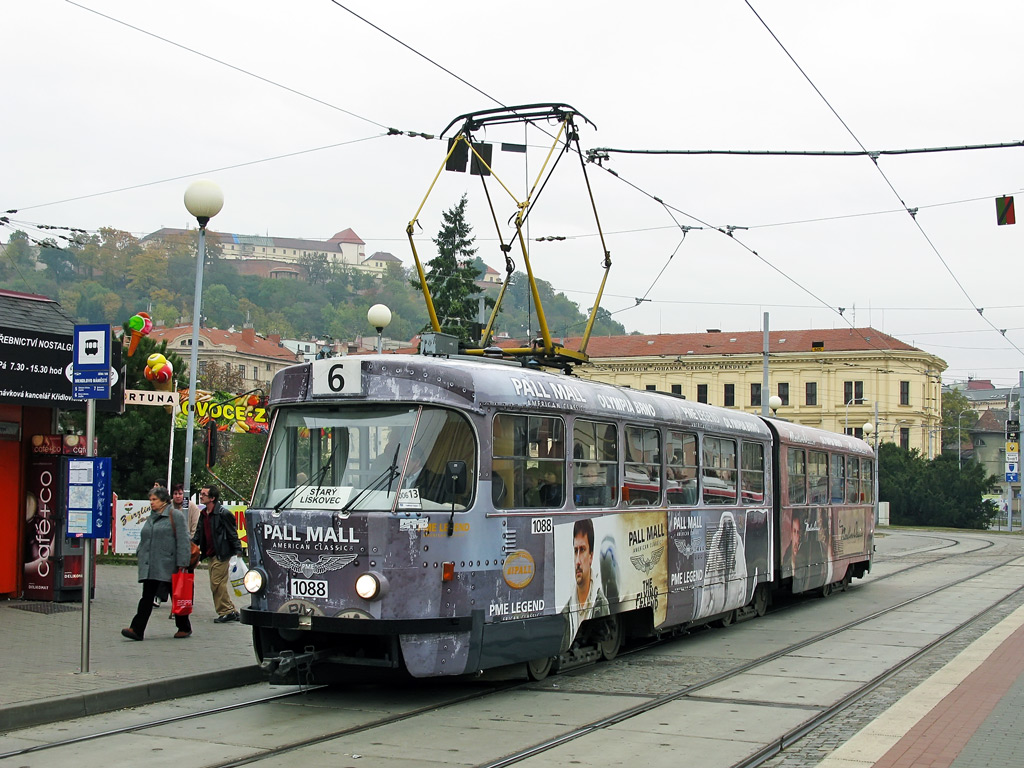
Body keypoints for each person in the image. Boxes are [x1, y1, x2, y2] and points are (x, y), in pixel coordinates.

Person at [121, 487, 192, 640]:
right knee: (147, 597)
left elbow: (184, 540)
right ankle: (137, 629)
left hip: (169, 564)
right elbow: (145, 538)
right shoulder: (152, 517)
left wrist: (183, 563)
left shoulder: (175, 515)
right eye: (150, 500)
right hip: (151, 565)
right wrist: (140, 552)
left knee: (177, 596)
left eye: (154, 500)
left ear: (164, 501)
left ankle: (184, 627)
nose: (151, 503)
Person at [193, 484, 244, 623]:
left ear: (212, 498)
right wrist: (191, 545)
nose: (201, 496)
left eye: (204, 494)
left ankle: (226, 611)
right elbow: (199, 534)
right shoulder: (204, 515)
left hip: (222, 553)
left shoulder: (223, 514)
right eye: (201, 493)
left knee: (217, 583)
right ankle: (231, 610)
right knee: (217, 583)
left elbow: (232, 533)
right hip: (211, 554)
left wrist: (238, 551)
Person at [561, 518, 609, 649]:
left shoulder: (601, 603)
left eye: (582, 550)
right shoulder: (565, 611)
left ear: (591, 556)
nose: (577, 561)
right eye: (575, 551)